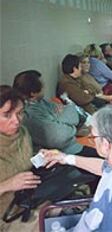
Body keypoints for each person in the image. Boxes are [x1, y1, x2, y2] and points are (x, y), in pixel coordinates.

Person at [12, 70, 98, 157]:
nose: (44, 89)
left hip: (73, 148)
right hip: (65, 155)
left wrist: (57, 120)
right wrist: (74, 129)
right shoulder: (30, 114)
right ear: (33, 93)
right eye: (43, 86)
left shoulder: (40, 102)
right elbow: (60, 136)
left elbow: (72, 110)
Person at [0, 86, 41, 231]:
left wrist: (42, 157)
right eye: (7, 115)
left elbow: (25, 162)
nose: (16, 121)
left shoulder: (23, 133)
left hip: (25, 201)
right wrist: (7, 185)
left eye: (19, 113)